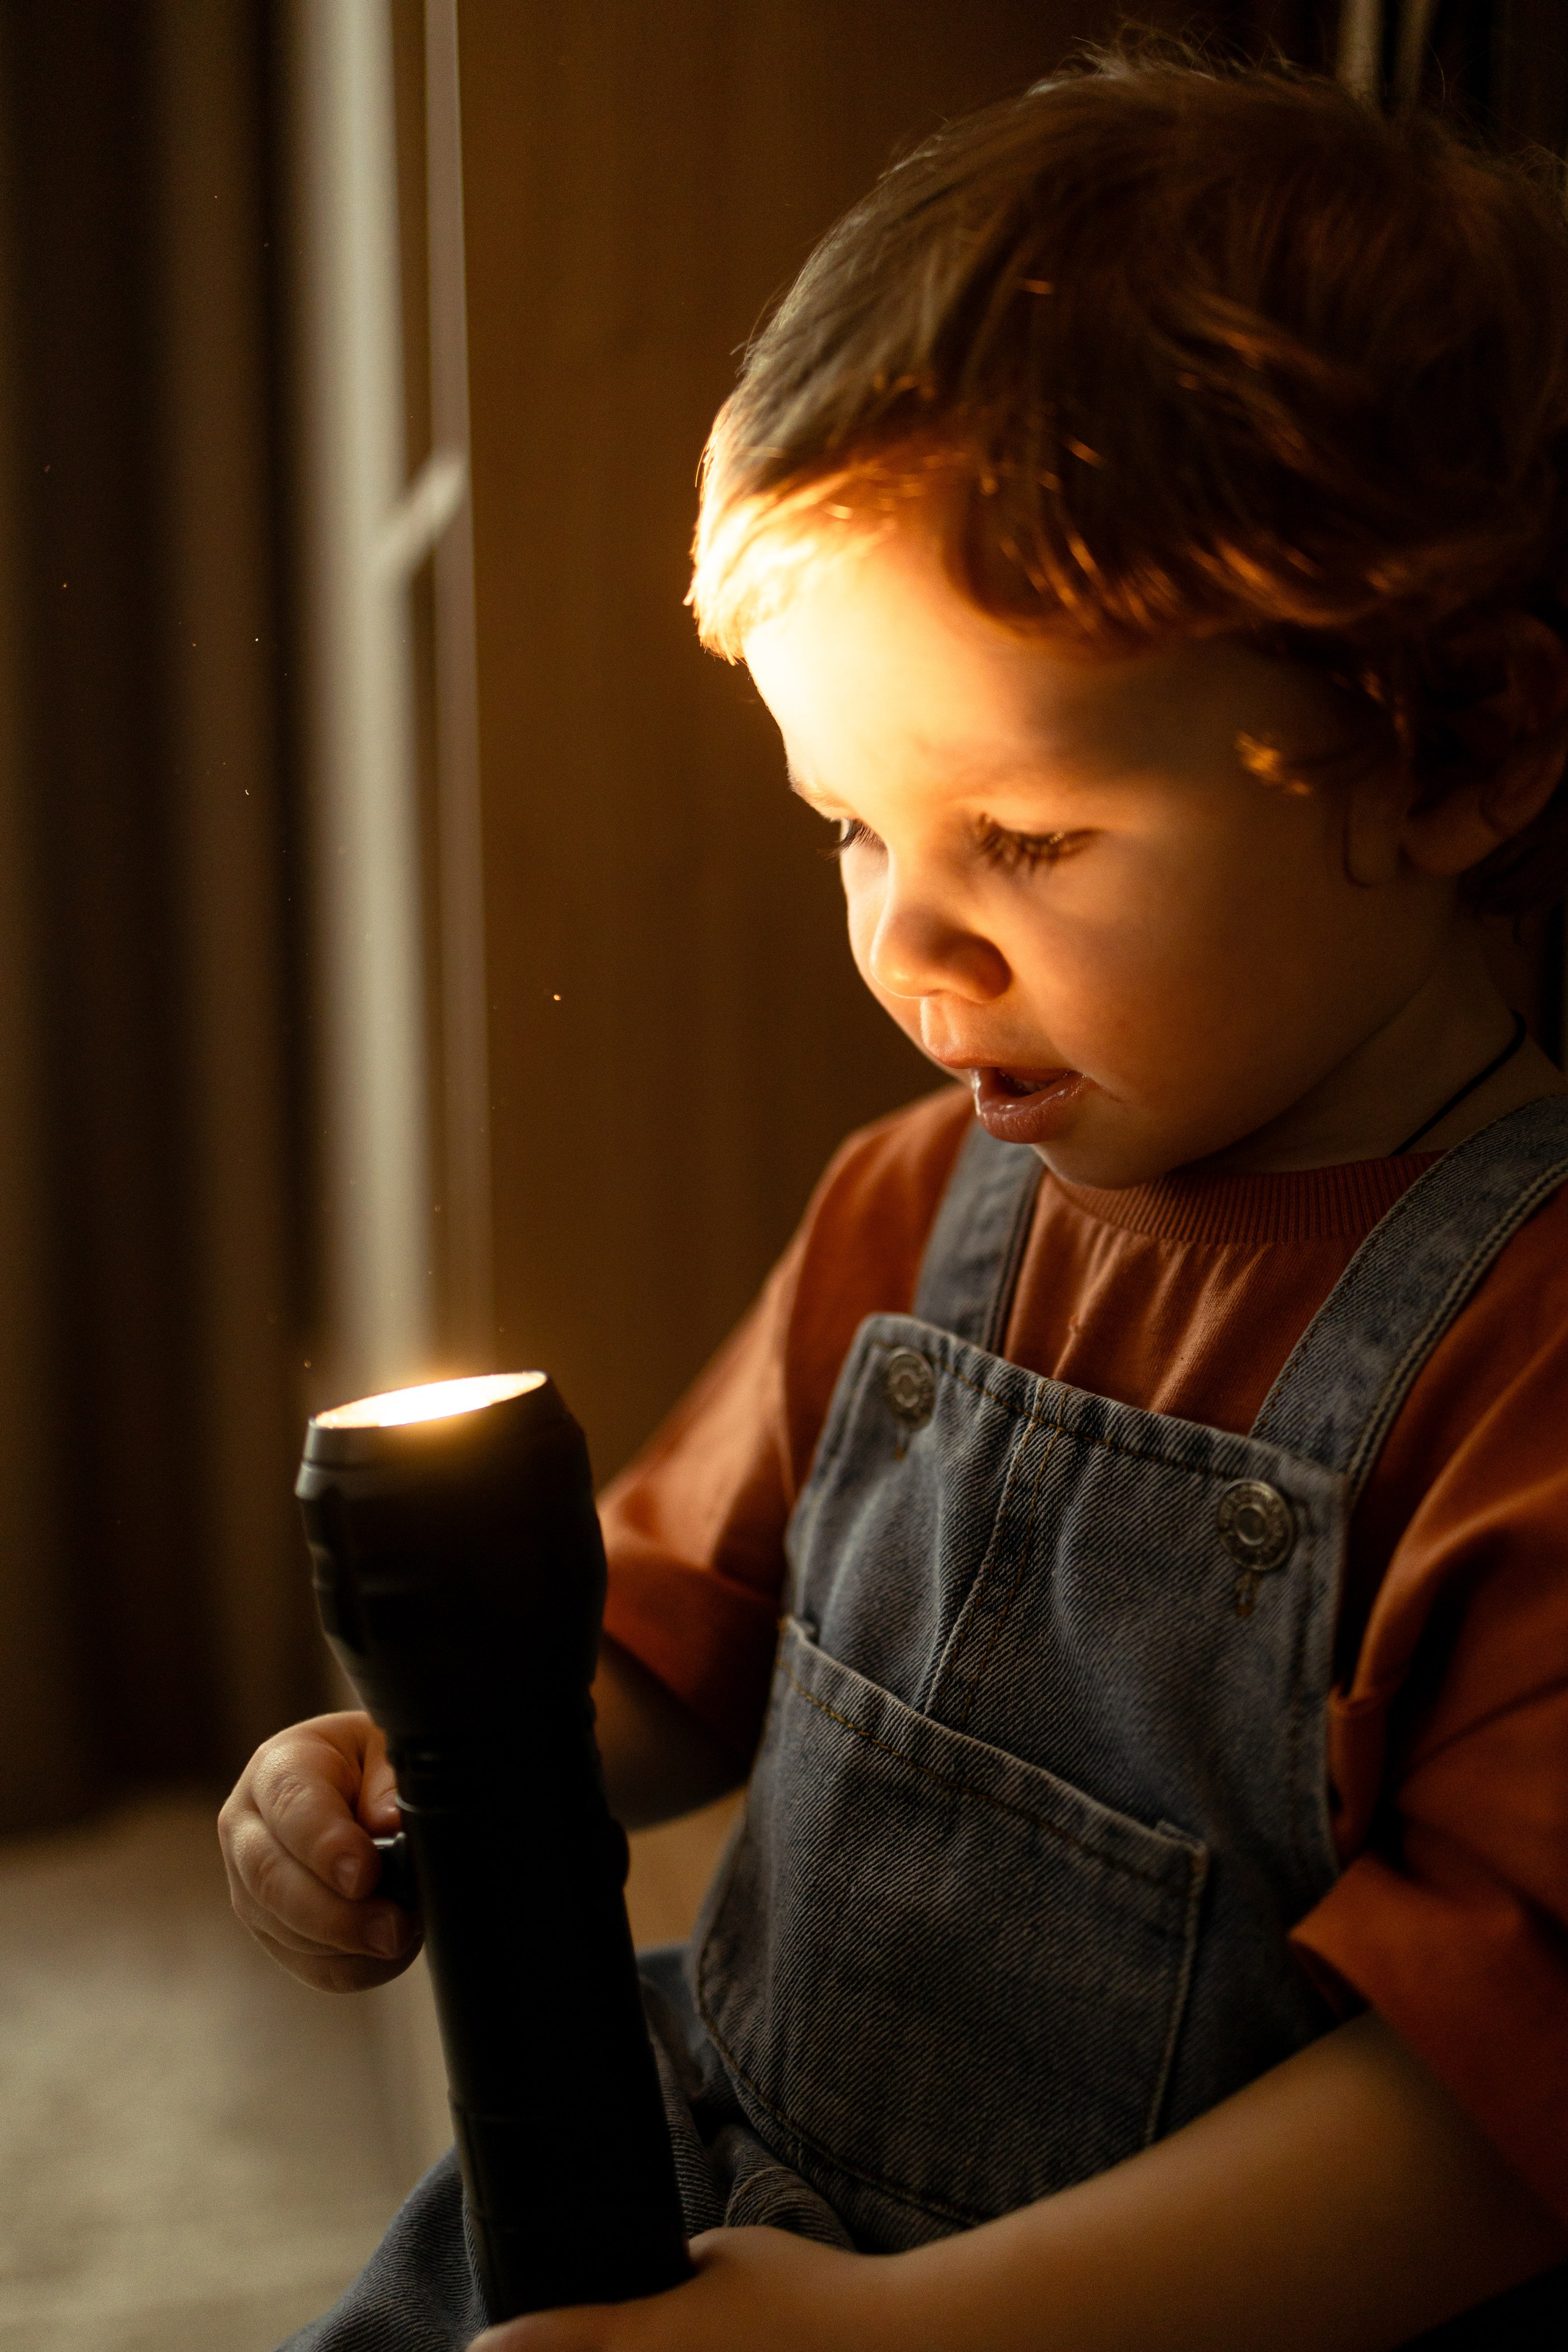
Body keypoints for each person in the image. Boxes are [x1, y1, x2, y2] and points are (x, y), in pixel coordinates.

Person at [221, 49, 1568, 2351]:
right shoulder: (916, 1209)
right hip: (705, 2169)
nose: (906, 950)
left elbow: (1477, 2124)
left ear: (1454, 758)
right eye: (854, 824)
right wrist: (402, 1776)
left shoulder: (1520, 1361)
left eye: (1027, 844)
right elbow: (664, 1635)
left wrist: (888, 2340)